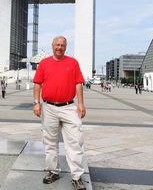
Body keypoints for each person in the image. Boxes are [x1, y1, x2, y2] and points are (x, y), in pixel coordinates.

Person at [33, 36, 87, 190]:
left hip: (69, 107)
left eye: (62, 45)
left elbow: (78, 84)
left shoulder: (73, 62)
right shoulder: (44, 63)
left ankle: (76, 176)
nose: (59, 47)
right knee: (50, 141)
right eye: (57, 45)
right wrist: (37, 103)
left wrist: (81, 104)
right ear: (52, 46)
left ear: (66, 47)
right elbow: (37, 84)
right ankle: (52, 171)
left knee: (75, 141)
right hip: (49, 107)